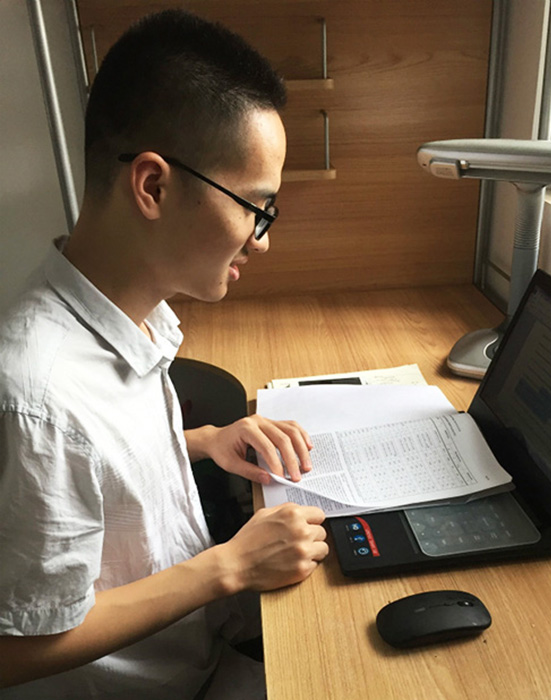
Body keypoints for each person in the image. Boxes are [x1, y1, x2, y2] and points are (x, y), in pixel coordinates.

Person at [0, 9, 328, 699]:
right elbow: (15, 649)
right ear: (152, 185)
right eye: (255, 207)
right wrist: (228, 568)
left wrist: (203, 441)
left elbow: (93, 469)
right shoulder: (36, 397)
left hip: (199, 647)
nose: (261, 238)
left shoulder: (131, 315)